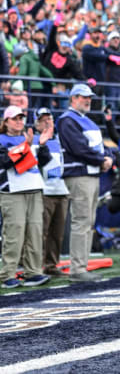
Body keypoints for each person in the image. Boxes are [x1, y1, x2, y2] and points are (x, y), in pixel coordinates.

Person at [57, 83, 113, 282]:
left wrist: (108, 157)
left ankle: (82, 265)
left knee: (87, 222)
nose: (88, 99)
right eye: (83, 96)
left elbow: (100, 146)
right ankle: (77, 269)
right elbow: (79, 148)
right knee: (81, 222)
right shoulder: (67, 120)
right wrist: (102, 160)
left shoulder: (87, 121)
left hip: (91, 174)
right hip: (80, 175)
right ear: (73, 99)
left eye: (89, 96)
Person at [0, 105, 52, 288]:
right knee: (14, 233)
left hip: (34, 188)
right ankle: (7, 274)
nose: (19, 122)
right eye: (15, 119)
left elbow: (43, 162)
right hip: (12, 191)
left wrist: (43, 145)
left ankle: (33, 272)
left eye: (21, 118)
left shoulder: (28, 138)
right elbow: (4, 162)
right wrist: (26, 147)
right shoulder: (1, 140)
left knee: (35, 232)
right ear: (5, 122)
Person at [31, 108, 70, 277]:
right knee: (41, 231)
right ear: (36, 123)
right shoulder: (32, 140)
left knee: (57, 232)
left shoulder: (62, 139)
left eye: (49, 119)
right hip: (43, 190)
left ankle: (51, 264)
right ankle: (35, 267)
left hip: (62, 189)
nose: (47, 123)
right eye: (42, 120)